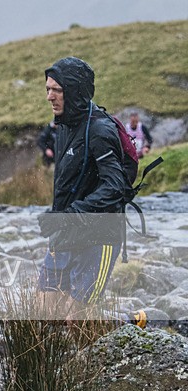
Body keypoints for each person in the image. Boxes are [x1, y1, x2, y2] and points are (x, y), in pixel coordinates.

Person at [36, 56, 145, 327]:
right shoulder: (62, 128)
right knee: (43, 314)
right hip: (67, 232)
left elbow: (115, 187)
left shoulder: (100, 130)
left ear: (75, 92)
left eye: (57, 90)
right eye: (48, 89)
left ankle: (129, 324)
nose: (50, 96)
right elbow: (69, 184)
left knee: (76, 322)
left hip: (100, 235)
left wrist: (72, 213)